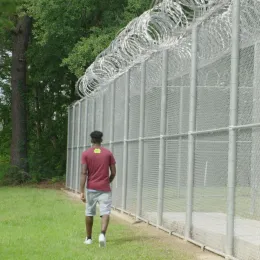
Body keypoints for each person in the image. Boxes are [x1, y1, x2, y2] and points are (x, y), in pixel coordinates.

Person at [80, 131, 116, 247]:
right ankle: (102, 234)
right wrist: (107, 181)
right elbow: (114, 172)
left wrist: (81, 191)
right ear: (101, 140)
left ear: (91, 140)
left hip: (91, 188)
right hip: (105, 188)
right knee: (105, 212)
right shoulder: (108, 153)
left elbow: (84, 173)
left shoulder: (86, 154)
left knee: (89, 212)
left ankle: (89, 238)